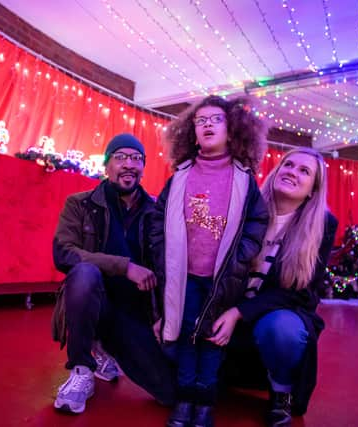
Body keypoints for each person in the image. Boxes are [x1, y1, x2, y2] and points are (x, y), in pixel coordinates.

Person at [149, 95, 269, 427]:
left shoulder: (245, 179)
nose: (207, 125)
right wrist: (163, 256)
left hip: (223, 279)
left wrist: (240, 259)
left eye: (215, 119)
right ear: (192, 132)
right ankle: (185, 398)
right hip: (183, 277)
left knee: (213, 338)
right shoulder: (180, 176)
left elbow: (257, 224)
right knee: (187, 335)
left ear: (233, 130)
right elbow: (159, 220)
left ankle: (205, 402)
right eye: (200, 121)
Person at [51, 133, 175, 414]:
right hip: (95, 301)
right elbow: (63, 253)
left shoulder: (157, 212)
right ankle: (82, 369)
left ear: (143, 166)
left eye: (136, 158)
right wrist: (124, 267)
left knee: (169, 393)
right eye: (120, 157)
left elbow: (167, 266)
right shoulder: (80, 204)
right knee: (84, 274)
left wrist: (162, 317)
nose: (128, 164)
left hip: (135, 312)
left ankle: (106, 350)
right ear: (107, 165)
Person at [214, 147, 338, 427]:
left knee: (282, 330)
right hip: (228, 305)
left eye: (304, 171)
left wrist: (239, 312)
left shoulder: (323, 224)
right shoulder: (246, 208)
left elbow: (302, 293)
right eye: (288, 165)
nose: (292, 172)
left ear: (312, 190)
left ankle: (281, 394)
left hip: (279, 311)